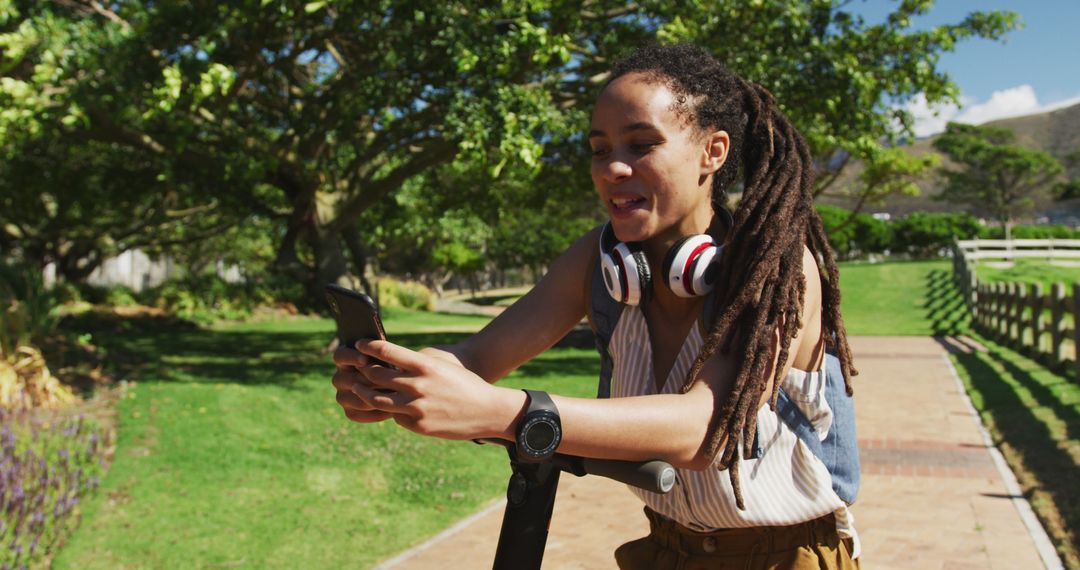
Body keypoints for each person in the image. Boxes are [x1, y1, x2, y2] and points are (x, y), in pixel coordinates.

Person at [332, 43, 860, 569]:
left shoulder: (777, 271)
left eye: (641, 145)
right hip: (665, 550)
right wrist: (400, 379)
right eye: (600, 149)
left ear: (712, 151)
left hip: (788, 558)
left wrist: (507, 412)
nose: (613, 168)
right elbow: (478, 356)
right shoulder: (600, 260)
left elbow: (704, 429)